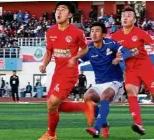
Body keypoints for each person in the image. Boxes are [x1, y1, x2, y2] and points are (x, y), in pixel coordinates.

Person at [110, 7, 154, 136]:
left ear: (135, 19)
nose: (125, 18)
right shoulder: (115, 36)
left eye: (129, 15)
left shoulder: (140, 32)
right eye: (123, 16)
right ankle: (138, 124)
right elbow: (111, 52)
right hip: (131, 70)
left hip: (146, 68)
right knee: (131, 91)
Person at [38, 2, 95, 140]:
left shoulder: (76, 32)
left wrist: (75, 57)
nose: (59, 12)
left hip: (70, 73)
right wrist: (44, 64)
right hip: (57, 72)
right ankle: (84, 107)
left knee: (52, 103)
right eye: (57, 9)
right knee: (52, 106)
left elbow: (85, 48)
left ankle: (50, 134)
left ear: (69, 15)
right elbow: (49, 51)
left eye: (63, 9)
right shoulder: (50, 31)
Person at [81, 22, 134, 138]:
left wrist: (120, 58)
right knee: (87, 98)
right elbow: (76, 61)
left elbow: (128, 51)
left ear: (104, 34)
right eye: (92, 31)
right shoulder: (89, 49)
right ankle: (104, 124)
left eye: (97, 31)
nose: (94, 33)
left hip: (115, 82)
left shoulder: (110, 44)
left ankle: (96, 128)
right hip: (99, 83)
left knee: (104, 96)